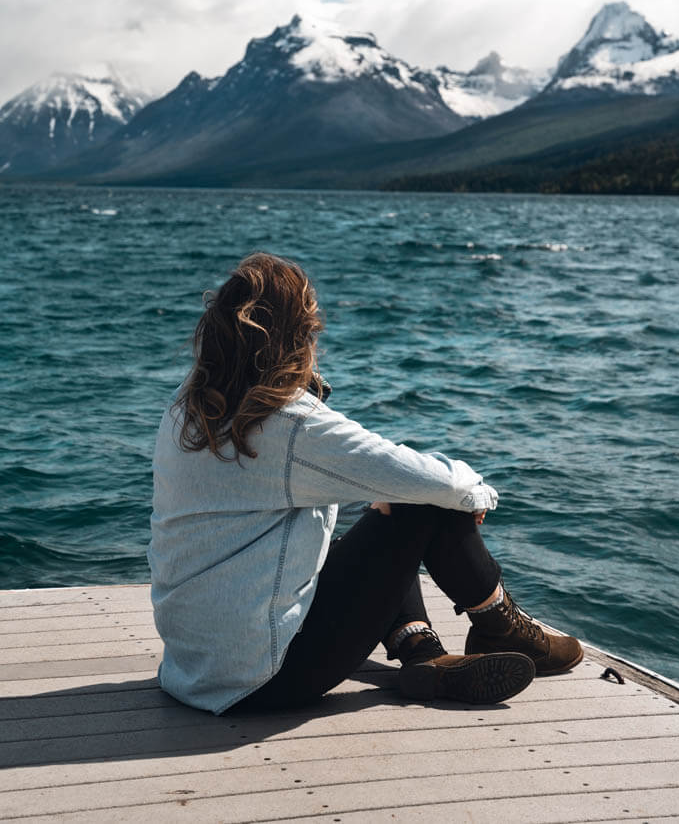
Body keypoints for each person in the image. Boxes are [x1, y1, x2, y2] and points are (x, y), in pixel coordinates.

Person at [148, 252, 583, 715]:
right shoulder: (289, 425)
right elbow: (435, 483)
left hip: (191, 668)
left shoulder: (187, 407)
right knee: (422, 503)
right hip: (267, 677)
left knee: (393, 502)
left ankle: (422, 653)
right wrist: (471, 494)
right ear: (299, 337)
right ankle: (501, 623)